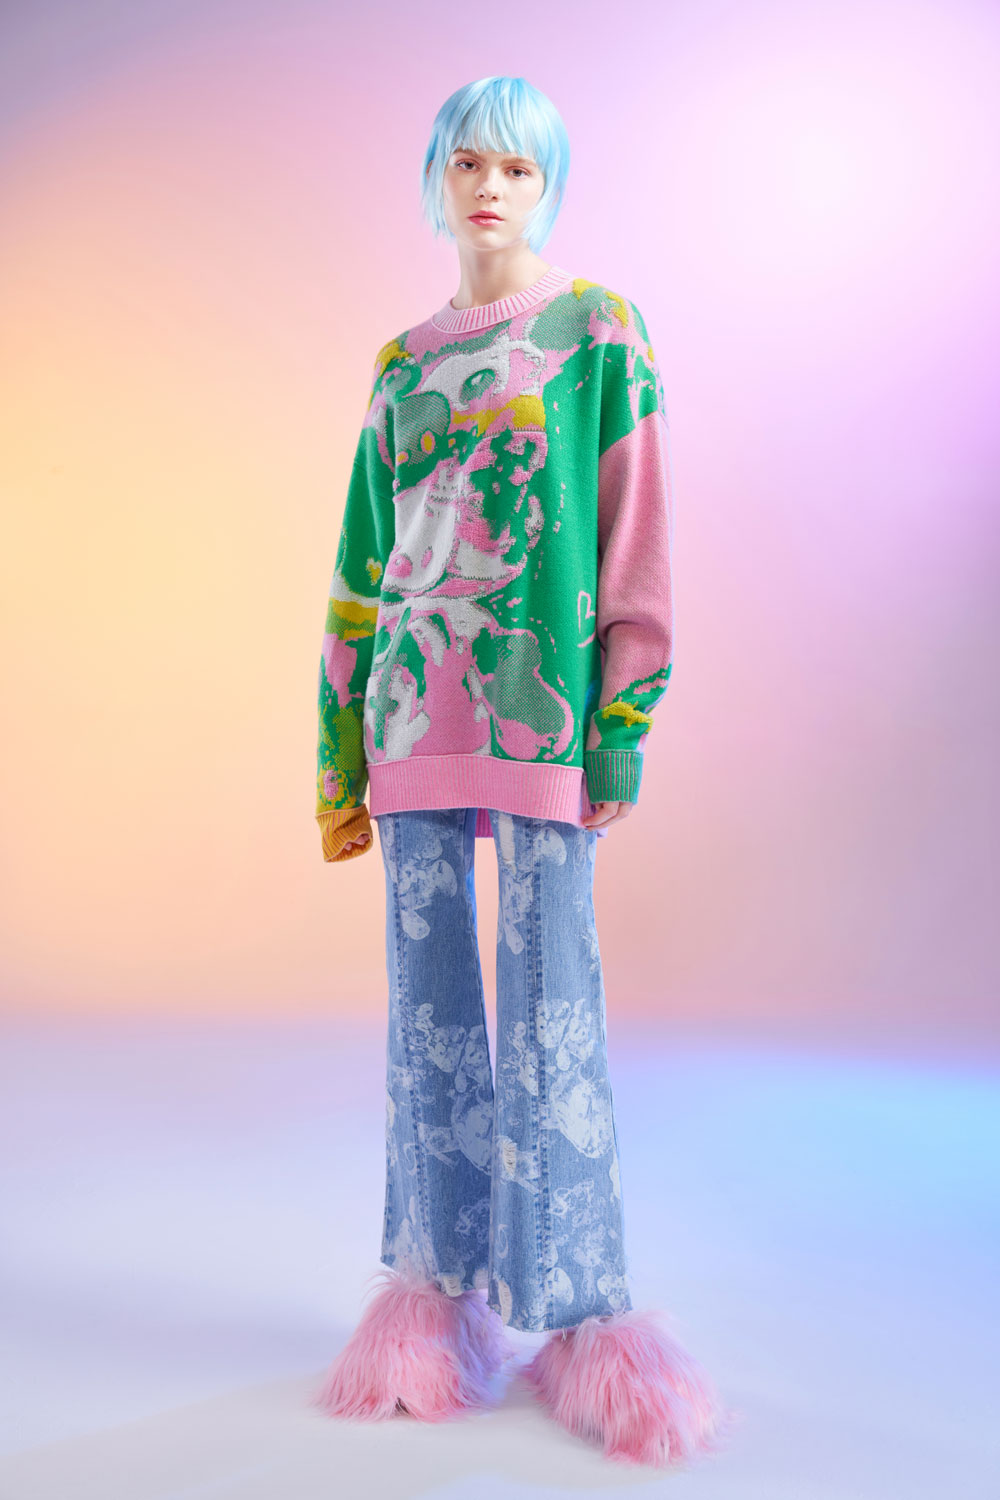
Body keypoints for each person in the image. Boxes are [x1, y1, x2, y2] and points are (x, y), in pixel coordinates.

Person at [310, 75, 731, 1469]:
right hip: (410, 712)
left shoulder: (596, 331)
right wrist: (338, 742)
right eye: (468, 164)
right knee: (427, 1024)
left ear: (550, 185)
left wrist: (623, 714)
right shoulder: (400, 364)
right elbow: (363, 561)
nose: (490, 188)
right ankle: (432, 1303)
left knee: (554, 1011)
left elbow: (633, 527)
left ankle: (582, 1314)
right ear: (437, 178)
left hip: (541, 716)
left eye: (519, 168)